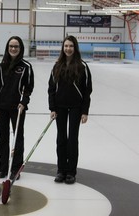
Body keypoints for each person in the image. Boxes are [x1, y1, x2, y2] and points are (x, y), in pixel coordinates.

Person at [48, 35, 92, 184]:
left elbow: (87, 91)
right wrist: (52, 108)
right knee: (61, 139)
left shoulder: (82, 66)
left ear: (75, 48)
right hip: (60, 107)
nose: (68, 49)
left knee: (72, 139)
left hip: (75, 107)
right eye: (66, 46)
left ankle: (71, 172)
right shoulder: (57, 66)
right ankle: (61, 170)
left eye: (71, 46)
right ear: (63, 48)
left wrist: (85, 111)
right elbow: (51, 89)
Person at [0, 36, 34, 180]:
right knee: (3, 138)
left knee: (18, 139)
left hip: (18, 108)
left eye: (16, 47)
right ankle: (3, 168)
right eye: (11, 46)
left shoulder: (26, 67)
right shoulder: (1, 66)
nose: (13, 49)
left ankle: (16, 168)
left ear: (20, 49)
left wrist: (24, 102)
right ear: (7, 48)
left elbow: (28, 88)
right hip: (2, 107)